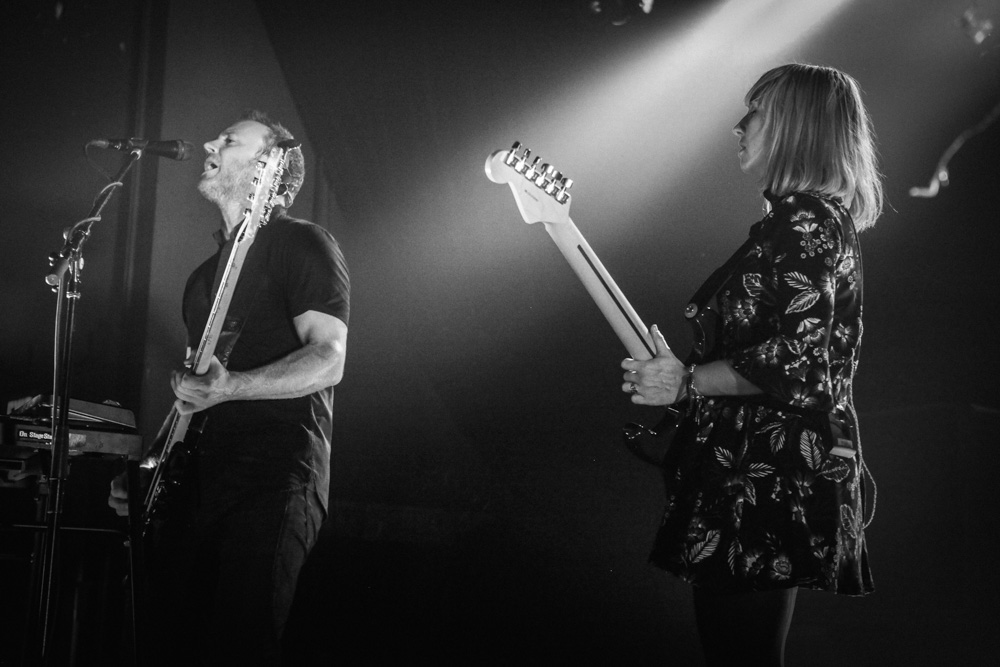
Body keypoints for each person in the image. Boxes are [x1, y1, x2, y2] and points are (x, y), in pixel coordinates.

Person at [620, 64, 881, 666]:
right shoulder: (800, 219)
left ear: (796, 125)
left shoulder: (806, 219)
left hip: (766, 475)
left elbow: (796, 359)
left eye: (755, 110)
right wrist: (683, 382)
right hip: (762, 467)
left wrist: (686, 381)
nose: (739, 125)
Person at [108, 110, 350, 664]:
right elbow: (196, 395)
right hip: (198, 482)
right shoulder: (202, 279)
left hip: (274, 478)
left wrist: (233, 386)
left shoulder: (303, 244)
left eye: (229, 139)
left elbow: (329, 359)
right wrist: (152, 469)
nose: (210, 142)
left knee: (240, 643)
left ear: (271, 164)